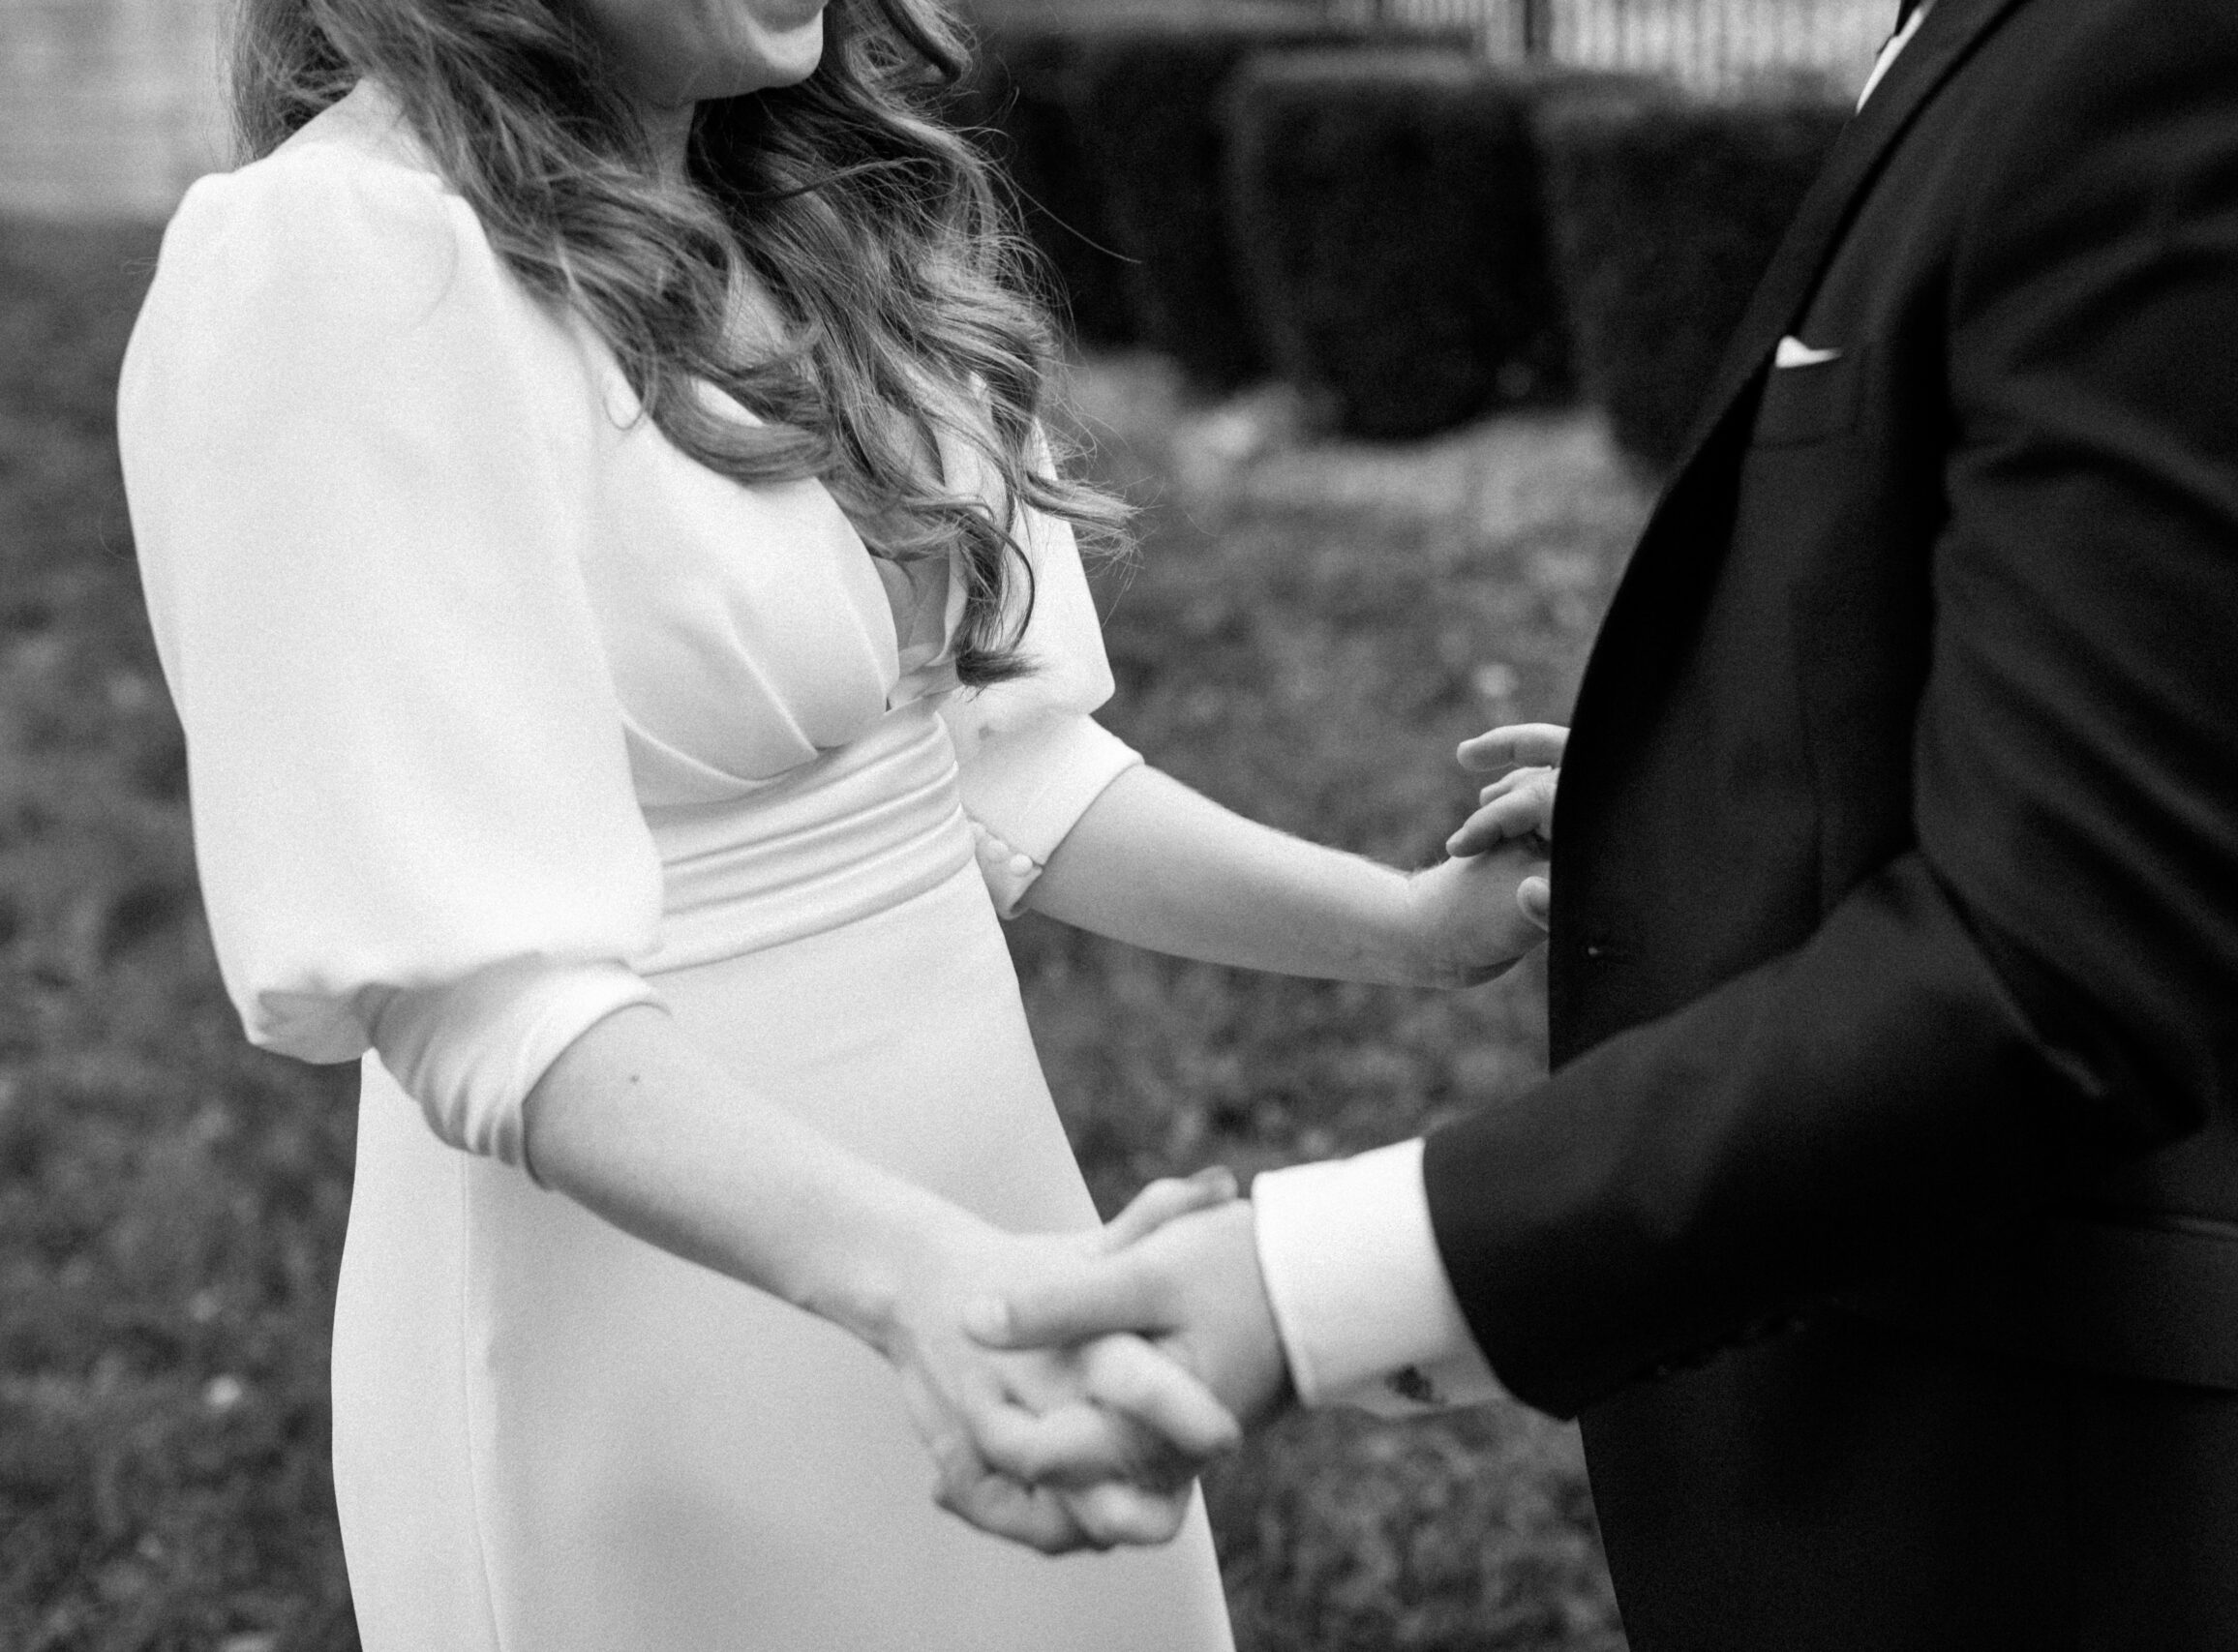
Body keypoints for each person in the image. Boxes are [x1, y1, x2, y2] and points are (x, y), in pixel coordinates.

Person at [976, 0, 2238, 1644]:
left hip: (2163, 1510)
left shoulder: (2213, 58)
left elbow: (2059, 967)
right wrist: (1701, 802)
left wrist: (1307, 1285)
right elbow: (2153, 679)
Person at [111, 0, 1549, 1645]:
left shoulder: (823, 202)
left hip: (991, 1226)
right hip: (658, 1333)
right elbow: (476, 999)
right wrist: (912, 1281)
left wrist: (1413, 933)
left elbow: (993, 773)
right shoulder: (341, 265)